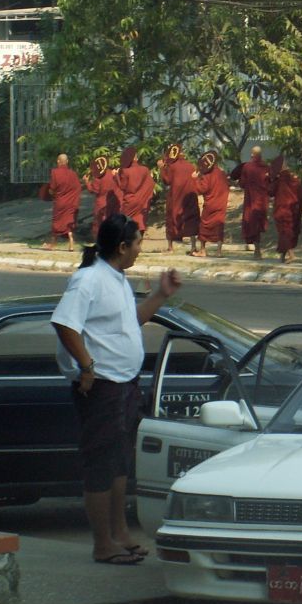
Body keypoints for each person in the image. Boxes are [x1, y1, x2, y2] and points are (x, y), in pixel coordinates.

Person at [50, 214, 182, 565]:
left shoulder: (118, 280)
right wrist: (87, 367)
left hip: (124, 383)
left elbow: (130, 321)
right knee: (100, 464)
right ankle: (102, 544)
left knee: (121, 463)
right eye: (138, 243)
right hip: (102, 386)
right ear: (122, 247)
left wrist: (160, 295)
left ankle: (120, 534)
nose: (140, 249)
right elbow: (65, 324)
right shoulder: (88, 279)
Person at [159, 145, 199, 256]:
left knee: (171, 219)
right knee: (191, 220)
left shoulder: (172, 166)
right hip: (190, 197)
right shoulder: (191, 166)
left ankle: (170, 248)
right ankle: (193, 247)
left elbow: (167, 181)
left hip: (175, 197)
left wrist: (162, 168)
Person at [192, 151, 230, 257]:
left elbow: (200, 189)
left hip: (210, 204)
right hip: (221, 204)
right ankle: (218, 251)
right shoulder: (222, 173)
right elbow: (227, 187)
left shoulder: (207, 175)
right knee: (219, 226)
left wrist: (195, 179)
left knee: (204, 226)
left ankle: (203, 251)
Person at [269, 155, 302, 264]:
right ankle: (283, 256)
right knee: (287, 231)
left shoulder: (279, 180)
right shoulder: (294, 179)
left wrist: (271, 179)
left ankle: (291, 254)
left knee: (284, 232)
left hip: (282, 209)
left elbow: (270, 192)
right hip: (293, 208)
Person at [237, 146, 270, 261]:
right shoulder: (266, 167)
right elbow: (270, 183)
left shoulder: (247, 167)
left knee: (252, 223)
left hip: (251, 200)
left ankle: (257, 250)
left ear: (252, 155)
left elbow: (242, 183)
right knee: (258, 224)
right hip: (262, 201)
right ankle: (258, 250)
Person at [45, 153, 81, 252]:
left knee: (57, 222)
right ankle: (71, 243)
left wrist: (49, 193)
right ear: (67, 162)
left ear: (58, 161)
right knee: (69, 223)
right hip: (71, 202)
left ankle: (52, 244)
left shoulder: (55, 172)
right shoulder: (73, 174)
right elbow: (78, 188)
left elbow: (52, 189)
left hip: (60, 202)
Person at [117, 147, 154, 234]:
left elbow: (122, 187)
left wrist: (116, 176)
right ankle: (138, 240)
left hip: (130, 199)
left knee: (126, 220)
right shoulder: (145, 169)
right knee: (140, 220)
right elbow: (151, 184)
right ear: (136, 158)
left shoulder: (125, 171)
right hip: (142, 200)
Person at [85, 156, 121, 239]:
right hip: (113, 202)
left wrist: (87, 182)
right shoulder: (112, 173)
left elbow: (94, 190)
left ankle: (99, 242)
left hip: (101, 203)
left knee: (98, 224)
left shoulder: (98, 177)